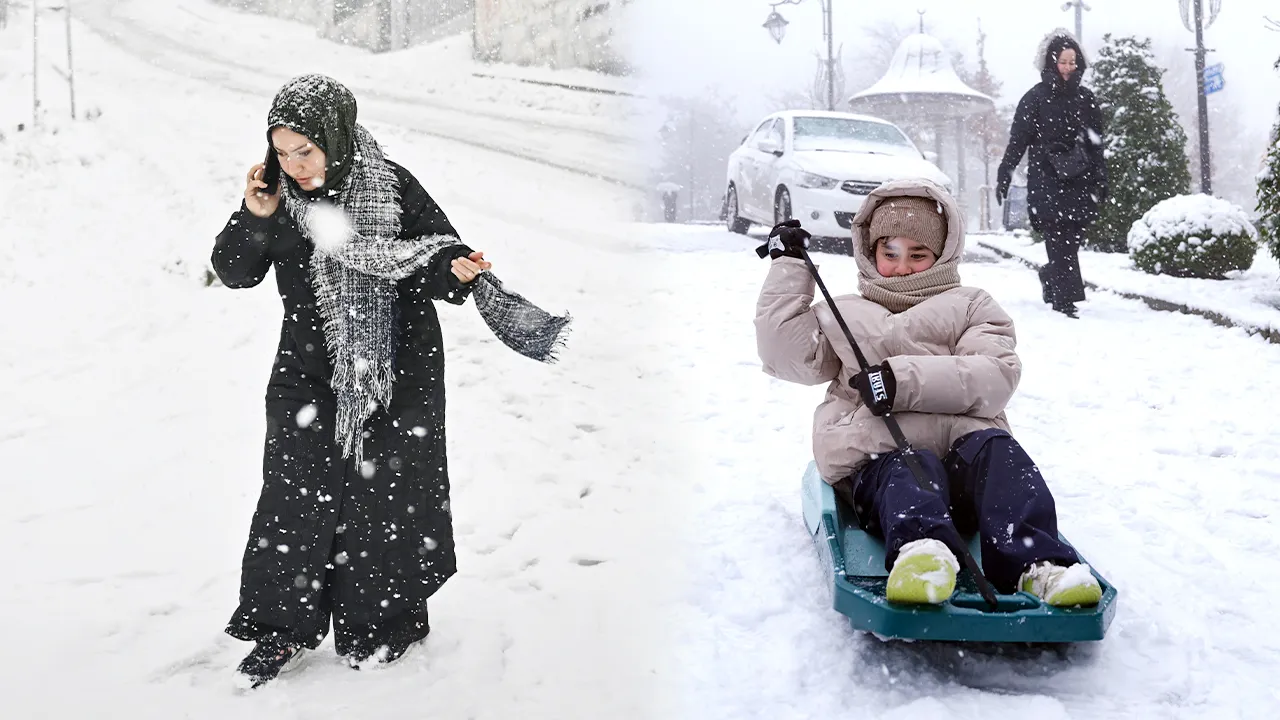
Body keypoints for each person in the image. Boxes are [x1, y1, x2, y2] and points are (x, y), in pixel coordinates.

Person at [212, 74, 570, 688]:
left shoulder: (389, 185)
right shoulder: (276, 198)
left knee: (388, 504)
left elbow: (431, 251)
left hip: (396, 369)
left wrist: (453, 268)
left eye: (307, 149)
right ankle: (280, 628)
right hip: (307, 373)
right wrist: (256, 215)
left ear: (336, 137)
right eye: (283, 150)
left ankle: (381, 625)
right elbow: (233, 271)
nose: (295, 164)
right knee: (294, 500)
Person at [754, 178, 1102, 607]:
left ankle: (1039, 565)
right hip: (881, 463)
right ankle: (923, 555)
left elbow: (993, 376)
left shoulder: (972, 305)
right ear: (870, 253)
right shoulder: (841, 312)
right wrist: (789, 266)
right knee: (908, 466)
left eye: (918, 255)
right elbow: (786, 356)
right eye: (890, 254)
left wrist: (901, 382)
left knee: (1001, 454)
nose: (902, 267)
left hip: (965, 459)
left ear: (942, 254)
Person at [996, 29, 1107, 319]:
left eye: (1073, 62)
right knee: (1058, 236)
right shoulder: (1034, 98)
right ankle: (1064, 297)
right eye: (1063, 62)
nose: (1069, 68)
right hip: (1046, 177)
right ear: (1051, 62)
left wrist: (1101, 176)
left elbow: (1096, 142)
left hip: (1079, 176)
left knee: (1074, 236)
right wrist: (1005, 172)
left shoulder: (1086, 99)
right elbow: (1018, 140)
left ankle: (1051, 275)